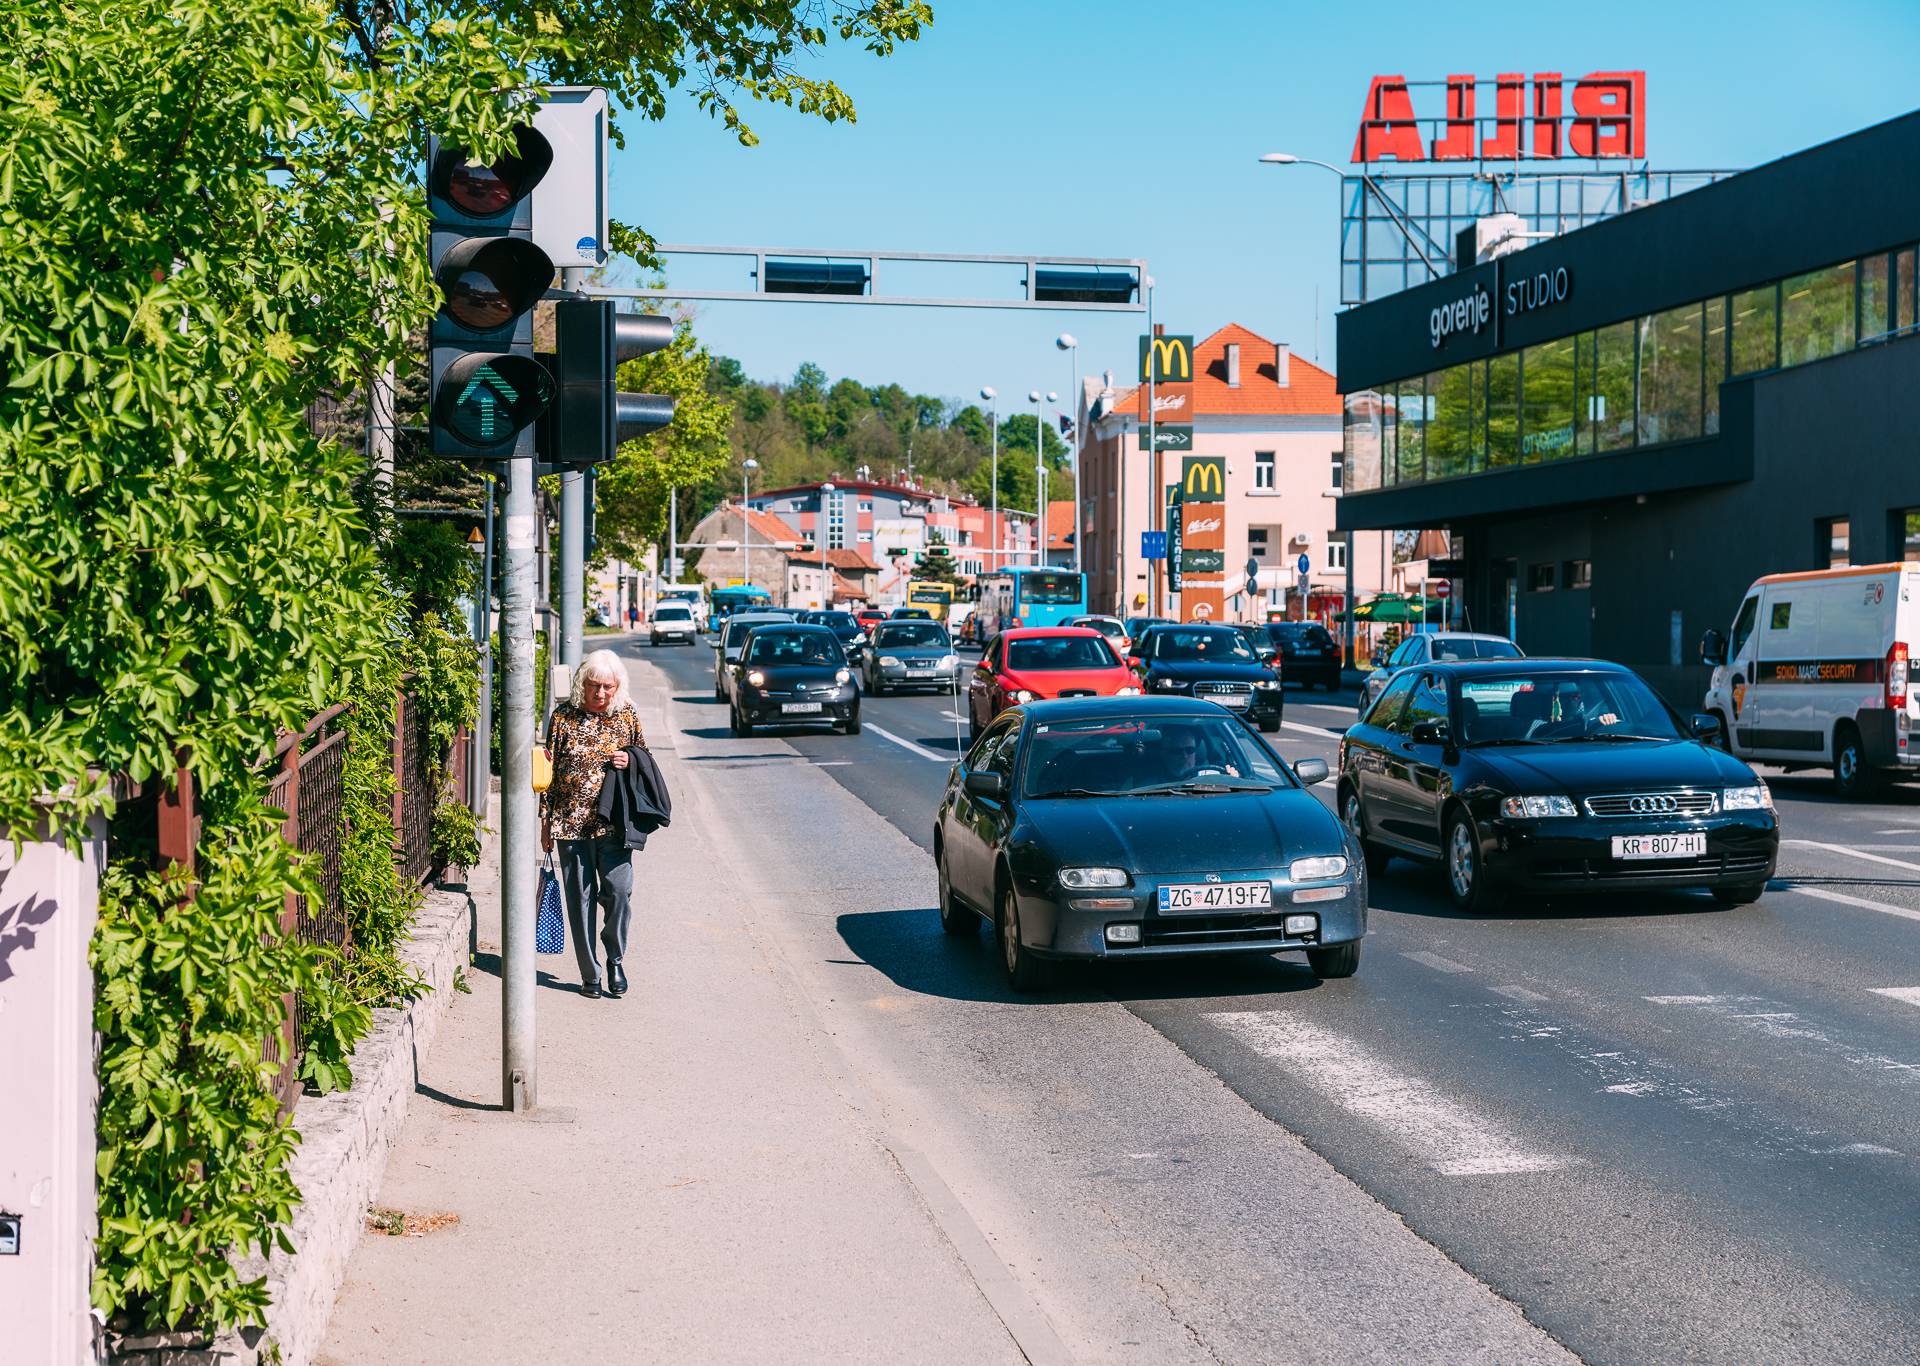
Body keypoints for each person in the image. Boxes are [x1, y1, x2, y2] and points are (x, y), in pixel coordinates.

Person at [541, 650, 645, 999]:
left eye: (607, 687)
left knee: (618, 891)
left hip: (614, 823)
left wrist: (628, 758)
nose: (600, 694)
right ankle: (591, 974)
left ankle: (615, 958)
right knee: (579, 900)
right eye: (593, 686)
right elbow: (548, 773)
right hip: (570, 823)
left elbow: (645, 761)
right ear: (581, 684)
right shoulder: (563, 718)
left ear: (618, 687)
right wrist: (545, 822)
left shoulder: (626, 715)